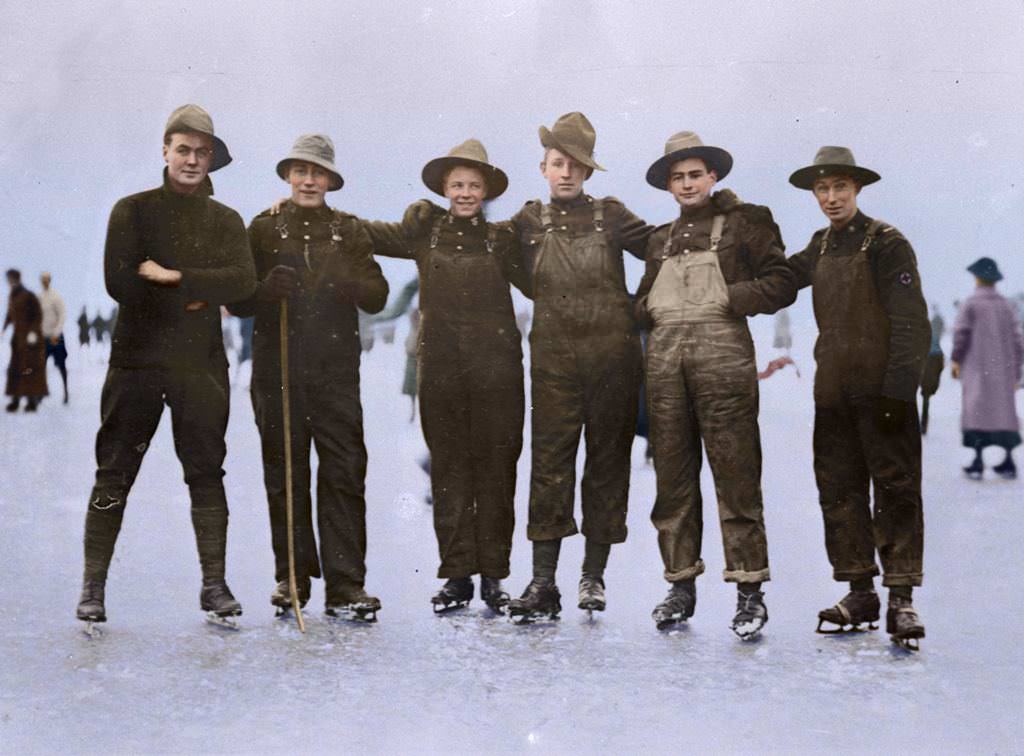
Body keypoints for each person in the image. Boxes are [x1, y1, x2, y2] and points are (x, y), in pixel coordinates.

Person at [75, 104, 256, 628]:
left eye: (202, 152)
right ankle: (92, 587)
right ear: (164, 151)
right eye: (183, 150)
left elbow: (242, 282)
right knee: (114, 473)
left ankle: (214, 585)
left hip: (199, 367)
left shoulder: (226, 221)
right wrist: (201, 292)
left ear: (211, 160)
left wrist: (173, 278)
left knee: (206, 471)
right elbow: (120, 283)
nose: (192, 160)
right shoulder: (130, 211)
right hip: (136, 363)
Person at [635, 132, 796, 638]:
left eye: (695, 174)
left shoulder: (747, 223)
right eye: (677, 178)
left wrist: (731, 297)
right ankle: (680, 587)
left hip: (724, 361)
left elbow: (783, 280)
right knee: (674, 482)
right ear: (668, 185)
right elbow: (641, 301)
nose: (687, 184)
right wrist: (647, 309)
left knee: (736, 476)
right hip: (664, 367)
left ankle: (749, 592)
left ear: (713, 177)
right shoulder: (658, 239)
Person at [364, 139, 527, 614]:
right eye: (457, 184)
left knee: (497, 473)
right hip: (441, 374)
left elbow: (544, 281)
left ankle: (495, 576)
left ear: (486, 192)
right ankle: (457, 576)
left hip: (497, 374)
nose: (465, 192)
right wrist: (300, 209)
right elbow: (363, 233)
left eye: (474, 185)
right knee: (450, 472)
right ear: (443, 188)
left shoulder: (502, 239)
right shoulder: (423, 233)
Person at [229, 134, 387, 620]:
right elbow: (236, 299)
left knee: (343, 472)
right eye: (300, 171)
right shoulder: (262, 229)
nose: (309, 180)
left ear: (331, 181)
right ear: (287, 176)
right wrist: (262, 290)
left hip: (336, 375)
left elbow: (378, 295)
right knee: (286, 472)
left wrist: (354, 282)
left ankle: (346, 584)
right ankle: (291, 577)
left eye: (318, 173)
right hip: (278, 372)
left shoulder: (349, 231)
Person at [507, 112, 654, 620]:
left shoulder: (611, 216)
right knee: (549, 468)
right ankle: (543, 581)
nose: (565, 173)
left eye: (575, 165)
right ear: (543, 168)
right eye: (556, 164)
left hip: (613, 362)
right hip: (553, 364)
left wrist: (640, 305)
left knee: (607, 464)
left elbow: (662, 248)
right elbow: (495, 257)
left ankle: (593, 576)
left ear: (588, 173)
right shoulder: (526, 222)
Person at [787, 146, 930, 649]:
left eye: (839, 188)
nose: (830, 198)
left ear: (857, 189)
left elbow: (913, 322)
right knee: (840, 489)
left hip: (882, 393)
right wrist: (726, 290)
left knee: (894, 488)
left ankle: (900, 598)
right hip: (833, 394)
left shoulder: (887, 244)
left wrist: (898, 390)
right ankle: (859, 592)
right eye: (822, 189)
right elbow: (782, 280)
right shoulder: (820, 246)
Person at [951, 257, 1024, 479]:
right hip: (1004, 372)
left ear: (978, 278)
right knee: (1004, 414)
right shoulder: (1007, 306)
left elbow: (961, 334)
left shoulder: (971, 304)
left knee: (978, 414)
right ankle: (1009, 461)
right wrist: (1018, 370)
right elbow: (1018, 340)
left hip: (977, 371)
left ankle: (978, 461)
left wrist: (955, 360)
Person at [4, 269, 47, 412]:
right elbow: (10, 313)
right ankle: (15, 401)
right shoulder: (13, 295)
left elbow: (38, 315)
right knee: (15, 369)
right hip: (17, 338)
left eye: (11, 279)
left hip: (30, 340)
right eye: (8, 279)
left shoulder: (28, 295)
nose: (9, 282)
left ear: (17, 279)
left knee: (28, 369)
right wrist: (4, 327)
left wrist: (33, 332)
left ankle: (31, 402)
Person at [38, 272, 69, 404]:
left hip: (56, 337)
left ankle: (66, 391)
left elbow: (62, 315)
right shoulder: (39, 297)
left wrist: (56, 333)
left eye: (46, 280)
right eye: (42, 280)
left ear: (50, 280)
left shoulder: (55, 296)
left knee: (61, 365)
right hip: (43, 337)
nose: (45, 282)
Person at [919, 304, 945, 435]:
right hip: (932, 359)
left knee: (925, 394)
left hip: (925, 359)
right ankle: (923, 425)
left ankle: (922, 424)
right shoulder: (935, 324)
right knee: (926, 395)